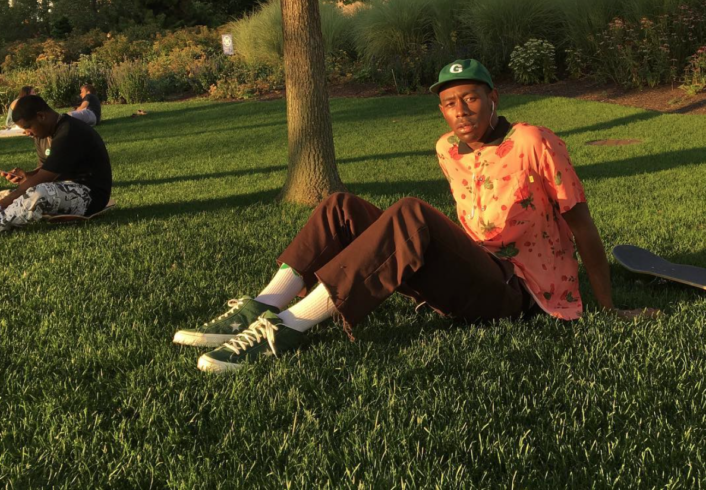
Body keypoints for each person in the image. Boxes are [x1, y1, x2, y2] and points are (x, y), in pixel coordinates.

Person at [174, 58, 657, 373]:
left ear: (494, 99)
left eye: (471, 97)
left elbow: (582, 225)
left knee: (410, 213)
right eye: (449, 103)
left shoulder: (534, 140)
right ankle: (264, 303)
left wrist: (606, 305)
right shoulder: (447, 149)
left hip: (521, 293)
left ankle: (288, 328)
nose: (460, 110)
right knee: (340, 206)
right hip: (477, 270)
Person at [0, 95, 112, 230]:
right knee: (8, 194)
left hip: (89, 195)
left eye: (28, 127)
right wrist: (26, 176)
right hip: (60, 187)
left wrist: (4, 203)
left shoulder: (69, 132)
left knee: (38, 194)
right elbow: (43, 170)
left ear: (41, 116)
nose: (27, 132)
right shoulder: (42, 135)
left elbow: (43, 179)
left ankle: (3, 219)